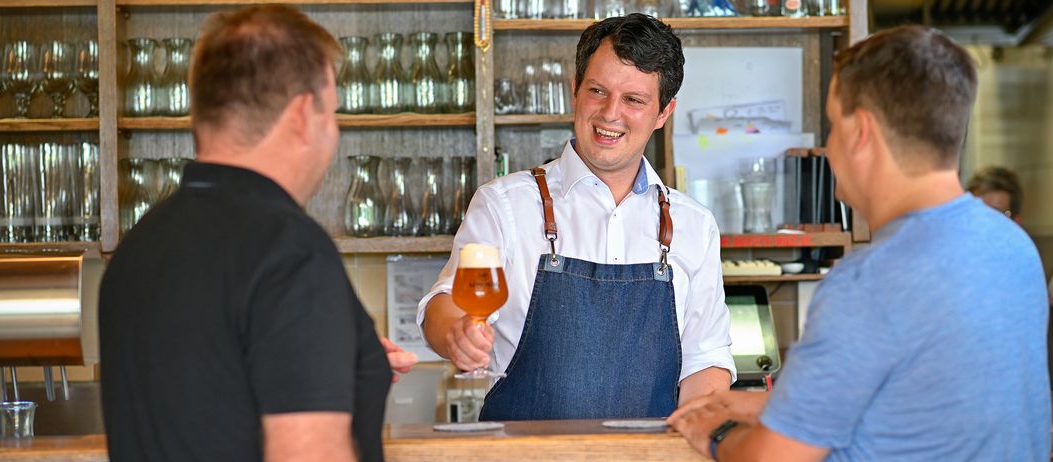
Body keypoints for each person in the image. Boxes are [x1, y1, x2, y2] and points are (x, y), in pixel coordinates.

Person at [666, 25, 1051, 461]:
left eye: (833, 125)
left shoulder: (868, 282)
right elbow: (929, 404)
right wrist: (768, 405)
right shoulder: (1013, 248)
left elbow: (772, 459)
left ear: (861, 132)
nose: (829, 147)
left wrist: (714, 433)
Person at [99, 6, 417, 462]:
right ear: (305, 114)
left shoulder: (137, 248)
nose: (334, 131)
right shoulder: (290, 250)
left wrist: (331, 359)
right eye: (333, 112)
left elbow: (208, 391)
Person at [417, 13, 735, 421]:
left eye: (634, 100)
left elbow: (705, 360)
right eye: (597, 91)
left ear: (663, 113)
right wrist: (455, 334)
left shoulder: (694, 225)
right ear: (575, 91)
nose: (610, 114)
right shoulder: (505, 204)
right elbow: (445, 306)